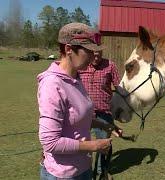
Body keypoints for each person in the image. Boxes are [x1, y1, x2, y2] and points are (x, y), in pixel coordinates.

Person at [37, 22, 113, 180]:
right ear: (68, 49)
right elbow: (50, 142)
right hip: (63, 175)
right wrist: (94, 145)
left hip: (82, 168)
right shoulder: (53, 84)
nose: (93, 58)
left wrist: (104, 125)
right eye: (88, 52)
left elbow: (76, 119)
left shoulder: (76, 78)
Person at [79, 50, 122, 180]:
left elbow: (119, 87)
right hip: (83, 113)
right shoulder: (82, 65)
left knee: (104, 143)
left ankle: (103, 171)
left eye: (99, 54)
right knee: (81, 142)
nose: (96, 58)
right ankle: (84, 170)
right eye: (94, 55)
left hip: (104, 113)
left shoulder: (110, 65)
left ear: (102, 52)